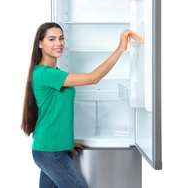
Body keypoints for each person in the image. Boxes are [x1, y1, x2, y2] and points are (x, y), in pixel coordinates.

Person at [21, 22, 139, 188]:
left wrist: (66, 140)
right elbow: (93, 78)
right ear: (40, 43)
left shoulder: (52, 73)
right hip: (50, 152)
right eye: (52, 39)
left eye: (61, 38)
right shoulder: (46, 74)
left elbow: (54, 113)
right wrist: (120, 48)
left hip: (51, 149)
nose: (58, 43)